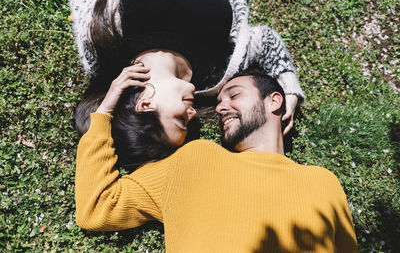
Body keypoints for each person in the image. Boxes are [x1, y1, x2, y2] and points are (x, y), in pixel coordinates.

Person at [75, 68, 358, 252]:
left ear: (275, 101)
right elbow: (97, 207)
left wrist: (292, 91)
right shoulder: (194, 159)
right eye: (219, 102)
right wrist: (104, 113)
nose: (221, 107)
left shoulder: (324, 182)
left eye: (234, 95)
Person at [67, 0, 305, 169]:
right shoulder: (218, 75)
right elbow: (265, 41)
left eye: (180, 119)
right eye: (189, 122)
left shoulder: (104, 50)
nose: (192, 114)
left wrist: (106, 108)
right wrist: (290, 92)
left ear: (145, 104)